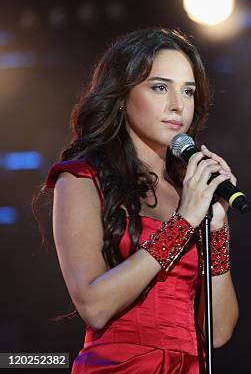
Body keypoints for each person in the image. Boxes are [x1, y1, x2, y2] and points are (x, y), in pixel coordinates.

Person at [34, 27, 239, 373]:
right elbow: (94, 306)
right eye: (161, 87)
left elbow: (218, 333)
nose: (178, 106)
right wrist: (183, 224)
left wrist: (216, 226)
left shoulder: (191, 193)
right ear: (122, 94)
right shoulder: (81, 179)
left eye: (188, 92)